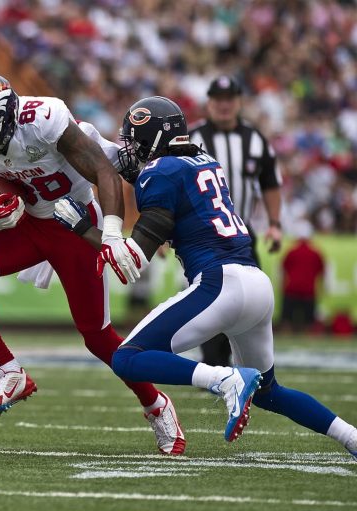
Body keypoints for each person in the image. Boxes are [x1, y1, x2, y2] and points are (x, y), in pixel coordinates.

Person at [53, 96, 357, 458]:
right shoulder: (204, 161)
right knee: (268, 392)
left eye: (134, 141)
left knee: (127, 358)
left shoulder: (160, 172)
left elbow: (131, 263)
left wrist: (82, 228)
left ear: (153, 139)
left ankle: (223, 378)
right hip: (256, 285)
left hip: (220, 283)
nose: (130, 150)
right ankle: (351, 436)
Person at [0, 72, 186, 456]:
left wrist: (112, 234)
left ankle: (156, 404)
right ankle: (9, 371)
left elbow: (105, 172)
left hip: (74, 222)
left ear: (3, 119)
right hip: (26, 224)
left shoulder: (43, 120)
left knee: (97, 336)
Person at [189, 75, 283, 367]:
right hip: (204, 235)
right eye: (218, 99)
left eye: (229, 99)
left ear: (239, 102)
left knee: (252, 301)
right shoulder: (192, 139)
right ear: (209, 102)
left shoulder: (255, 140)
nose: (224, 105)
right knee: (209, 299)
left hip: (243, 233)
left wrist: (275, 223)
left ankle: (252, 367)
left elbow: (270, 183)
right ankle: (214, 366)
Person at [280, 221, 324, 333]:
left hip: (291, 289)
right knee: (309, 323)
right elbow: (322, 272)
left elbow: (283, 271)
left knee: (286, 321)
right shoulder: (316, 253)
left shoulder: (291, 251)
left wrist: (282, 287)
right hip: (309, 291)